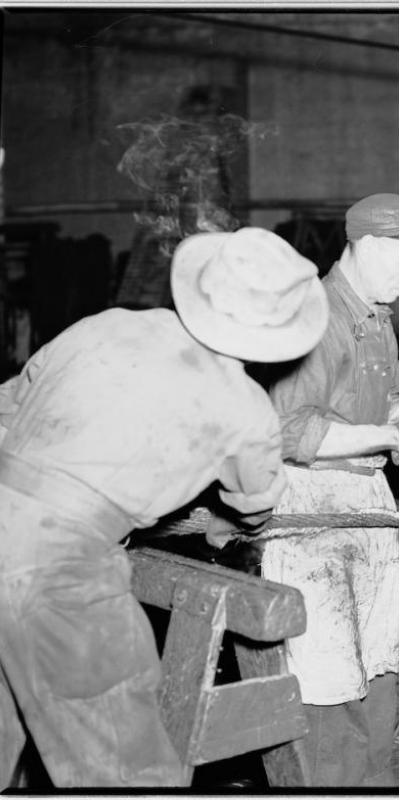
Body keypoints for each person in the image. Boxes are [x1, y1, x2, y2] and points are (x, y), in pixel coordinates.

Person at [0, 226, 329, 787]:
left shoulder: (106, 326)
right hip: (59, 570)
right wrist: (223, 520)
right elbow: (253, 509)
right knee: (124, 763)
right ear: (277, 333)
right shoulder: (245, 411)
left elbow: (9, 407)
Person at [261, 192, 399, 787]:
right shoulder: (318, 317)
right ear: (371, 245)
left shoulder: (375, 316)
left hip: (366, 499)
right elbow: (291, 430)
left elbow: (385, 396)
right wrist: (397, 436)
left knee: (378, 661)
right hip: (313, 505)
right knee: (327, 673)